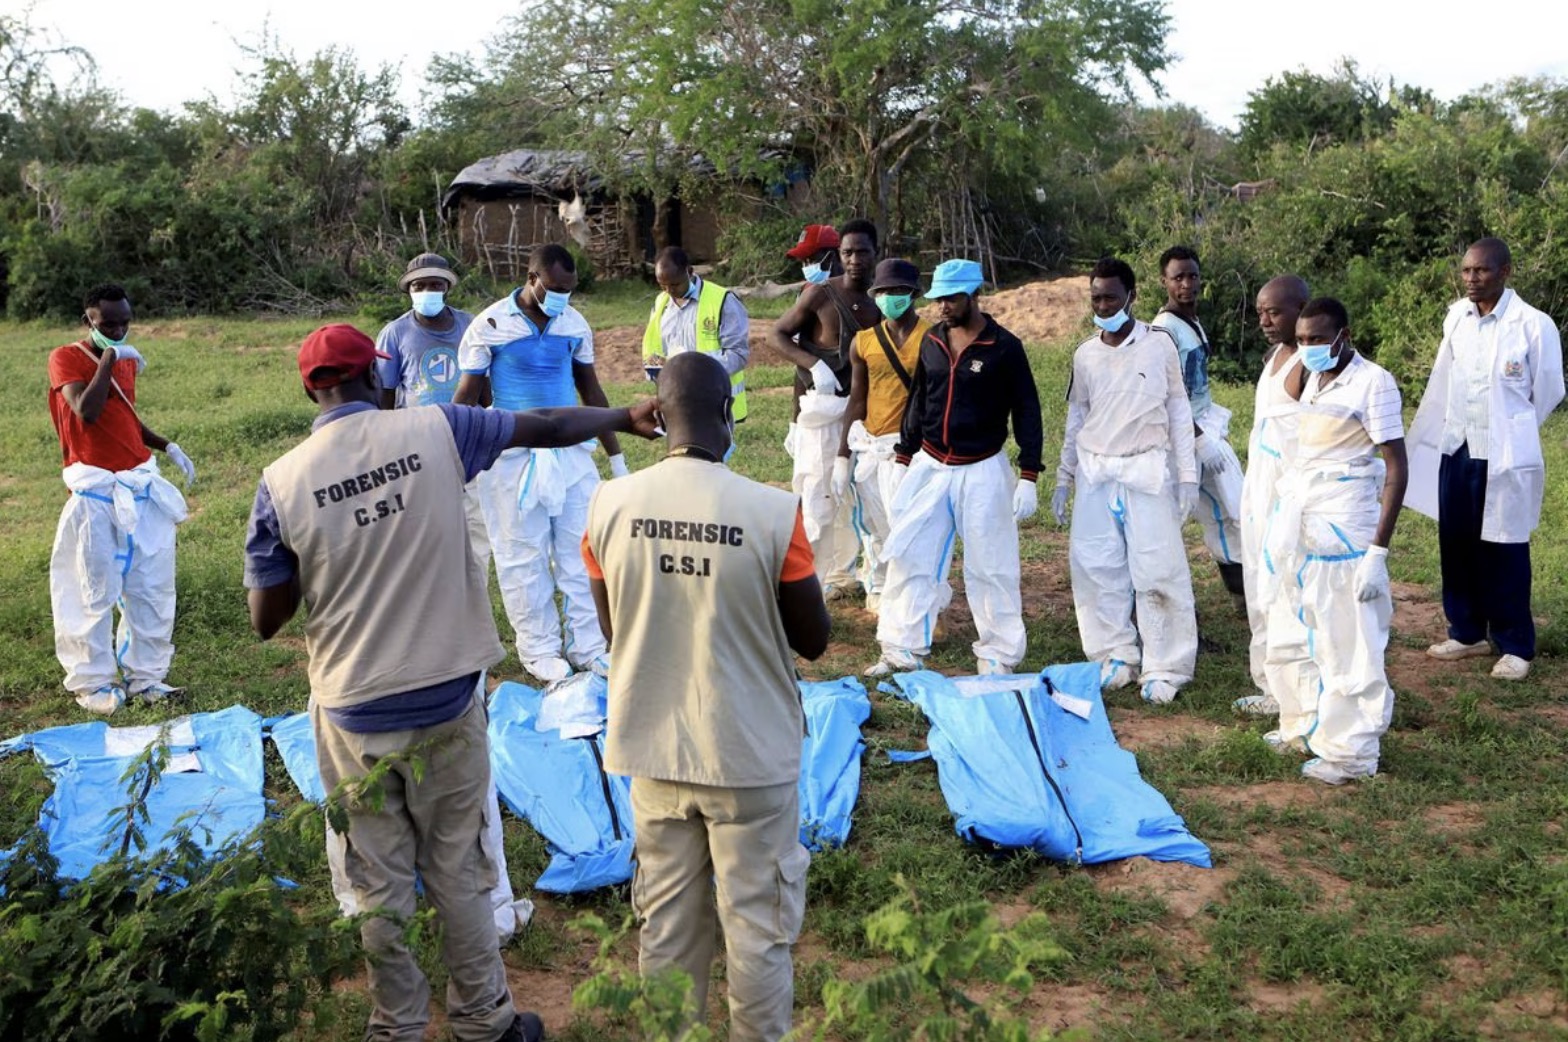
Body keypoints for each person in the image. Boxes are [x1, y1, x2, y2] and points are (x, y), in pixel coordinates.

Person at [244, 322, 659, 1042]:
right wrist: (623, 416)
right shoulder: (439, 429)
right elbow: (550, 422)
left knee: (377, 880)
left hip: (352, 709)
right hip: (445, 694)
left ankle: (397, 1026)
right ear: (376, 380)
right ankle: (483, 1021)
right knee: (459, 867)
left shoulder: (279, 485)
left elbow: (265, 618)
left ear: (309, 389)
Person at [581, 352, 830, 1042]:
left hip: (654, 750)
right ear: (728, 414)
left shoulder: (606, 506)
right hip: (749, 756)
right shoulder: (775, 512)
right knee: (757, 931)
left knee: (666, 927)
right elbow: (812, 639)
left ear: (656, 415)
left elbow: (614, 629)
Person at [454, 243, 626, 683]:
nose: (562, 297)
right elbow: (466, 400)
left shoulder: (574, 324)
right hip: (511, 458)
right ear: (531, 279)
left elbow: (592, 393)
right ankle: (539, 649)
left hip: (570, 454)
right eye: (554, 289)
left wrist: (617, 458)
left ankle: (587, 644)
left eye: (569, 289)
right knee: (521, 554)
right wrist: (452, 459)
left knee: (581, 549)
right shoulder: (490, 324)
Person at [867, 258, 1043, 677]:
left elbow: (1027, 410)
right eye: (938, 299)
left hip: (982, 467)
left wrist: (1029, 474)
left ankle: (998, 654)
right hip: (930, 462)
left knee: (991, 564)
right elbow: (919, 399)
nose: (943, 306)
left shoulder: (1004, 348)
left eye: (951, 298)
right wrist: (904, 456)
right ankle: (901, 648)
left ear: (974, 295)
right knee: (912, 555)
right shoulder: (932, 340)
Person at [1259, 298, 1406, 784]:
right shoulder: (1311, 378)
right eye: (1301, 341)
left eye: (1318, 340)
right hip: (1304, 522)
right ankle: (1302, 724)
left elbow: (1396, 468)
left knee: (1350, 642)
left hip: (1347, 530)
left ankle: (1351, 755)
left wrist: (1377, 554)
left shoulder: (1373, 382)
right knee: (1298, 626)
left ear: (1344, 335)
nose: (1308, 349)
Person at [1406, 237, 1564, 682]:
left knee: (1505, 547)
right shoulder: (1456, 317)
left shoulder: (1533, 325)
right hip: (1457, 446)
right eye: (1466, 271)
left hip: (1503, 454)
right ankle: (1468, 631)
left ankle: (1515, 644)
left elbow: (1547, 389)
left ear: (1506, 272)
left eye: (1482, 271)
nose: (1472, 279)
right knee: (1455, 542)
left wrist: (1511, 428)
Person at [1053, 257, 1197, 704]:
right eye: (1096, 297)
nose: (1102, 304)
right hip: (1097, 471)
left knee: (1158, 569)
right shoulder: (1086, 353)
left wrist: (1188, 476)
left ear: (1131, 297)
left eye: (1110, 297)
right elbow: (1078, 416)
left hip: (1146, 470)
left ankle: (1166, 665)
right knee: (1096, 568)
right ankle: (1113, 654)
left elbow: (1178, 408)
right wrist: (1064, 477)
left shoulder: (1159, 345)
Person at [47, 283, 196, 714]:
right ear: (88, 320)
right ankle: (93, 684)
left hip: (138, 484)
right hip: (96, 495)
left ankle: (146, 678)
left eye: (124, 322)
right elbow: (87, 410)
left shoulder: (124, 362)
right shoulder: (66, 358)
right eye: (107, 322)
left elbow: (122, 418)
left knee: (150, 586)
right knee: (92, 591)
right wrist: (109, 358)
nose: (117, 329)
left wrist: (165, 445)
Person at [771, 219, 882, 600]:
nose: (854, 260)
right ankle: (805, 590)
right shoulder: (819, 294)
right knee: (817, 501)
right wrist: (813, 365)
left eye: (861, 252)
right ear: (840, 255)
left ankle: (843, 574)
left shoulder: (882, 300)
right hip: (822, 416)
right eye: (847, 253)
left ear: (875, 254)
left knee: (864, 502)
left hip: (867, 416)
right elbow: (778, 335)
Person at [375, 252, 492, 570]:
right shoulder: (395, 333)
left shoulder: (470, 325)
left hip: (467, 436)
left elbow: (485, 388)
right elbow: (385, 395)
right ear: (410, 290)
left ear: (447, 287)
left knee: (475, 524)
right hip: (416, 441)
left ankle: (473, 594)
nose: (427, 291)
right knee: (424, 523)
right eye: (420, 286)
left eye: (435, 285)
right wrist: (386, 444)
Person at [831, 258, 933, 615]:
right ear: (875, 296)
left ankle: (920, 598)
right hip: (873, 447)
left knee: (915, 528)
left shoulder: (932, 339)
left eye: (900, 291)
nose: (892, 297)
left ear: (914, 294)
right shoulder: (863, 342)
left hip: (915, 451)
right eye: (885, 291)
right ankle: (878, 586)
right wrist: (843, 455)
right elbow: (856, 399)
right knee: (875, 524)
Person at [1233, 275, 1314, 719]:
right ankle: (1269, 683)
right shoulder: (1274, 357)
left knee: (1287, 589)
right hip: (1258, 488)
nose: (1264, 320)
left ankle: (1296, 690)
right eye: (1260, 311)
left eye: (1275, 311)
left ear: (1301, 308)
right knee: (1259, 587)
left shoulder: (1308, 365)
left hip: (1287, 494)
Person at [1149, 246, 1246, 608]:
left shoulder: (1190, 319)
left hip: (1204, 425)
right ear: (1165, 282)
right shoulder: (1164, 330)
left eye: (1192, 276)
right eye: (1178, 278)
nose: (1186, 284)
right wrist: (1199, 439)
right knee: (1171, 517)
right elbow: (1164, 395)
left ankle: (1242, 595)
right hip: (1181, 436)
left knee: (1230, 508)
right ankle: (1162, 602)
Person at [642, 245, 750, 420]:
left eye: (675, 284)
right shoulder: (661, 303)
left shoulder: (723, 300)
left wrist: (694, 370)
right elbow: (653, 351)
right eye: (663, 286)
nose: (669, 291)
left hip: (715, 403)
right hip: (677, 402)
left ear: (689, 271)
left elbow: (738, 354)